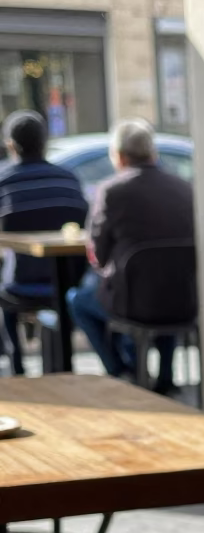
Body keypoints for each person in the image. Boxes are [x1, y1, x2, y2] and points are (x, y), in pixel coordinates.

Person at [67, 118, 195, 394]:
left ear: (119, 156)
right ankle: (164, 376)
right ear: (153, 153)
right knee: (164, 282)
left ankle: (119, 371)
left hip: (134, 304)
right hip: (186, 300)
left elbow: (98, 257)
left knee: (77, 300)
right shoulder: (184, 187)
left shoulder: (112, 191)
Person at [0, 110, 88, 375]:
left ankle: (17, 366)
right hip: (69, 280)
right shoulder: (68, 180)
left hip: (20, 282)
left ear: (11, 145)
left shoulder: (4, 183)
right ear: (45, 142)